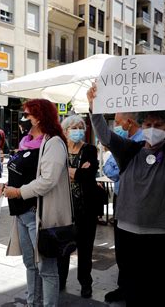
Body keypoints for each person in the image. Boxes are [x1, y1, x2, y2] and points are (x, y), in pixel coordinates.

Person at [87, 75, 165, 306]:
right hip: (129, 236)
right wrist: (94, 108)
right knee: (134, 291)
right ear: (141, 125)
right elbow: (105, 135)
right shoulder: (129, 150)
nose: (153, 129)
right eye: (148, 125)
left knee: (164, 292)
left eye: (159, 125)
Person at [0, 99, 72, 307]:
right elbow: (20, 174)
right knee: (30, 264)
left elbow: (48, 180)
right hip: (21, 213)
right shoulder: (25, 143)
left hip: (38, 214)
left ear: (39, 117)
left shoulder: (53, 142)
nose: (23, 119)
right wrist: (4, 185)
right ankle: (33, 303)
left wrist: (18, 192)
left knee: (46, 269)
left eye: (27, 115)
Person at [57, 115, 106, 298]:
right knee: (62, 249)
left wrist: (68, 171)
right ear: (65, 130)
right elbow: (54, 173)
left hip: (86, 209)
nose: (77, 130)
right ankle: (61, 280)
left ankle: (85, 283)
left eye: (80, 127)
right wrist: (78, 171)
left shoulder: (90, 150)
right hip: (63, 208)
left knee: (85, 250)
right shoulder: (59, 149)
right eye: (73, 127)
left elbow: (89, 175)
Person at [101, 112, 143, 303]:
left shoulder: (141, 139)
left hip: (136, 199)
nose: (115, 126)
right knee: (122, 246)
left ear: (129, 122)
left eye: (117, 122)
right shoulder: (125, 140)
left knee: (133, 248)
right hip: (121, 196)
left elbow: (113, 169)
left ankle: (133, 289)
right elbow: (109, 169)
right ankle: (124, 287)